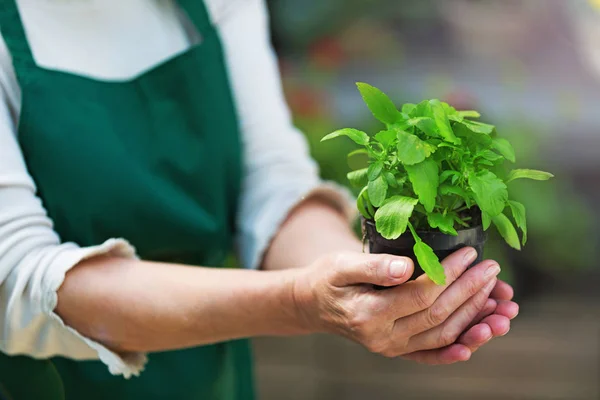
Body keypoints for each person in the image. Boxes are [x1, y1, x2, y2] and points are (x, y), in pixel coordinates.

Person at [0, 1, 518, 399]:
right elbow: (16, 279)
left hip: (208, 380)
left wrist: (376, 289)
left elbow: (271, 181)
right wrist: (300, 301)